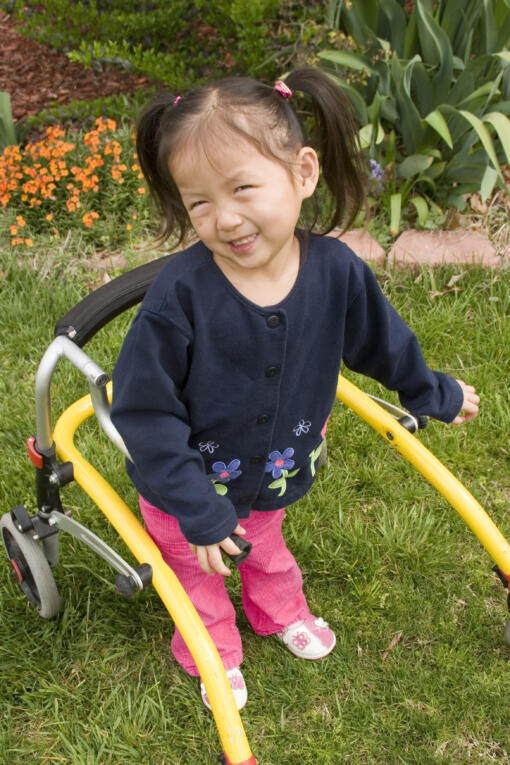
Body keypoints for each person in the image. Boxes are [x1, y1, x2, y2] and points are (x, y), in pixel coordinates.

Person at [111, 68, 479, 710]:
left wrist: (432, 393)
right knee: (199, 576)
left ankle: (277, 613)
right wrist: (197, 509)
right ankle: (211, 647)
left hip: (275, 470)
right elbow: (144, 413)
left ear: (303, 174)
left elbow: (382, 344)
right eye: (199, 202)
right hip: (185, 492)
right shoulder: (180, 297)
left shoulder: (335, 270)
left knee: (267, 547)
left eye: (243, 188)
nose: (224, 218)